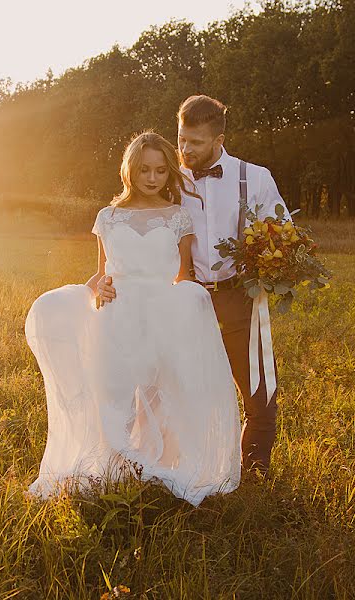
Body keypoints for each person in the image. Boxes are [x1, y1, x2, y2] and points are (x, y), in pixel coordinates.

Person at [24, 131, 241, 507]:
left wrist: (189, 309)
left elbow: (184, 275)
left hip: (161, 316)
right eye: (145, 169)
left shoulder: (178, 217)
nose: (153, 178)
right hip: (117, 315)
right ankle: (113, 470)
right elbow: (100, 274)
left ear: (169, 173)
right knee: (114, 391)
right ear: (130, 170)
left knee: (159, 394)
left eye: (160, 170)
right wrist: (96, 290)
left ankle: (153, 465)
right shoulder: (107, 217)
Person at [97, 96, 291, 476]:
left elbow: (283, 234)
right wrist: (109, 276)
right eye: (182, 139)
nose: (185, 150)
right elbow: (131, 219)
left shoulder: (256, 177)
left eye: (195, 143)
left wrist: (273, 259)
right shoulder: (169, 176)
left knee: (259, 394)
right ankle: (160, 464)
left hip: (238, 297)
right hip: (180, 302)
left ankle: (253, 474)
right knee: (167, 389)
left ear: (219, 140)